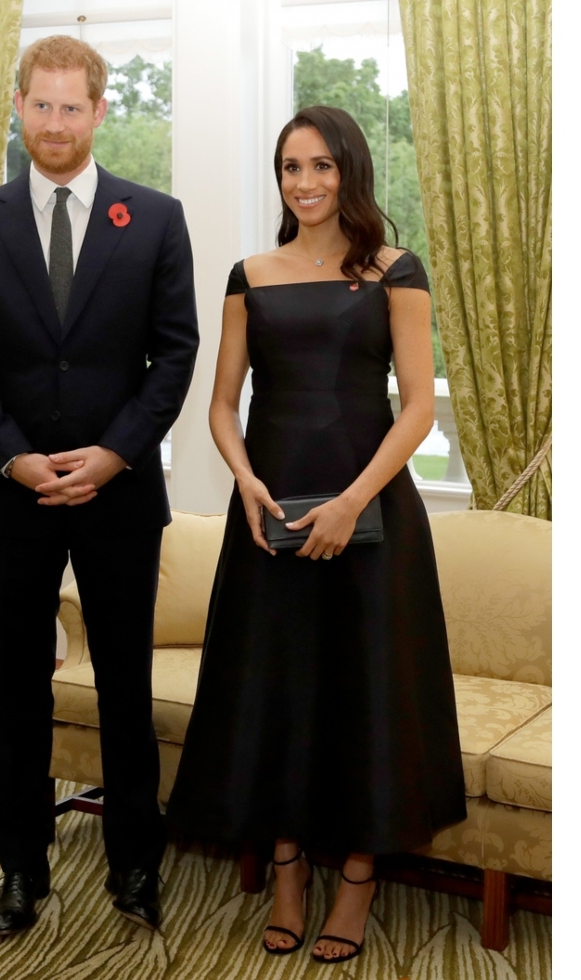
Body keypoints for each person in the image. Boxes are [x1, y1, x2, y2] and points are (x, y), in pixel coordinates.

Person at [166, 106, 466, 964]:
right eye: (291, 167)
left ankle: (359, 880)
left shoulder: (394, 271)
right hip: (270, 518)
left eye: (323, 166)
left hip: (372, 515)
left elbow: (414, 408)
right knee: (279, 692)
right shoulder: (249, 273)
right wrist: (249, 484)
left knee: (363, 694)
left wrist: (347, 502)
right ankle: (289, 870)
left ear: (350, 172)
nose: (306, 183)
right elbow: (223, 405)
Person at [0, 35, 198, 937]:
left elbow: (176, 355)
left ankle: (134, 864)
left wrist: (115, 454)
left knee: (124, 682)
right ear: (17, 106)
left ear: (98, 110)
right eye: (39, 105)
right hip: (13, 497)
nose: (55, 123)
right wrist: (11, 456)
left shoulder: (155, 218)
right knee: (16, 688)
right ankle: (20, 869)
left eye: (71, 106)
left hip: (120, 494)